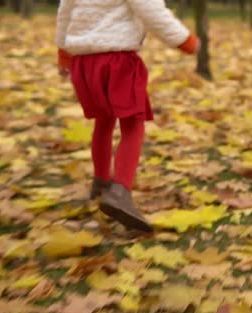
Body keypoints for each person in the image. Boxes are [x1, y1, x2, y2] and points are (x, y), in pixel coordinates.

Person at [56, 0, 200, 232]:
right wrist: (185, 41)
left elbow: (65, 12)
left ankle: (101, 184)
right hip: (117, 60)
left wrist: (64, 53)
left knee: (103, 121)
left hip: (84, 63)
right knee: (133, 124)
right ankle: (120, 191)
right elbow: (153, 11)